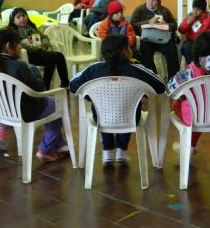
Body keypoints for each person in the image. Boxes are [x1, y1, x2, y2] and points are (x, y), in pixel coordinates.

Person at [69, 34, 165, 164]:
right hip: (131, 118)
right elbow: (160, 86)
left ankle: (107, 152)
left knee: (103, 109)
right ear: (124, 51)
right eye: (129, 47)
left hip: (101, 119)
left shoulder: (94, 69)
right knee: (128, 108)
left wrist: (92, 95)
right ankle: (121, 151)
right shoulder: (137, 69)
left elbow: (73, 85)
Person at [0, 29, 69, 161]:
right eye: (18, 44)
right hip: (26, 110)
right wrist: (35, 73)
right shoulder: (19, 66)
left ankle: (60, 144)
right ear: (9, 46)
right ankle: (46, 149)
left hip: (3, 110)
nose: (21, 47)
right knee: (58, 105)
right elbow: (39, 91)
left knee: (51, 103)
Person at [7, 7, 69, 91]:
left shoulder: (32, 27)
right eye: (18, 17)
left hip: (40, 53)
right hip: (28, 55)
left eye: (23, 15)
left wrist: (44, 45)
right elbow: (21, 44)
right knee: (57, 56)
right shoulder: (14, 31)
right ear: (13, 21)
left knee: (52, 59)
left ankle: (48, 86)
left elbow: (44, 37)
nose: (22, 18)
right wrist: (36, 47)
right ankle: (60, 84)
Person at [128, 0, 180, 81]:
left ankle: (173, 79)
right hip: (147, 39)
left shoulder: (164, 10)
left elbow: (174, 25)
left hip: (163, 39)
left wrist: (166, 24)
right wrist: (148, 22)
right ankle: (154, 77)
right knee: (145, 54)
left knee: (172, 52)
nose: (151, 2)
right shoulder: (140, 9)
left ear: (158, 1)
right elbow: (132, 25)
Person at [178, 0, 210, 64]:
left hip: (205, 41)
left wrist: (205, 34)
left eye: (197, 10)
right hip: (192, 41)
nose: (195, 12)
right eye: (194, 9)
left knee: (205, 49)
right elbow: (181, 30)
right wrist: (188, 23)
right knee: (186, 47)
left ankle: (202, 67)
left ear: (203, 10)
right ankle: (194, 67)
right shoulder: (190, 16)